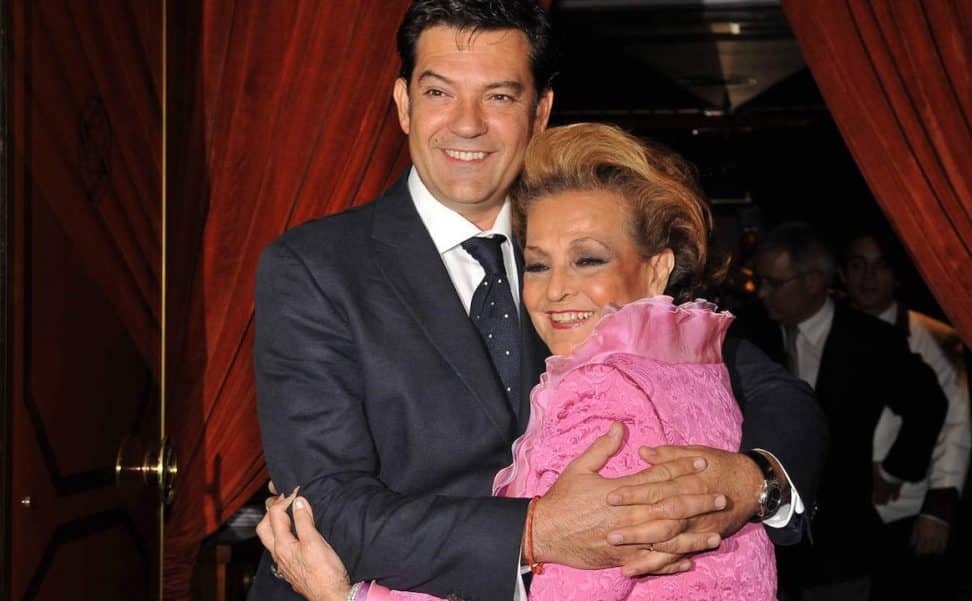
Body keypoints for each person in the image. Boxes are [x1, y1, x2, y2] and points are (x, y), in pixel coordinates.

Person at [249, 2, 825, 600]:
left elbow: (776, 394)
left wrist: (756, 480)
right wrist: (536, 532)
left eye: (499, 96)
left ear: (540, 112)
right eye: (440, 92)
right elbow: (325, 505)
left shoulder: (589, 242)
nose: (467, 124)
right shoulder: (314, 268)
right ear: (404, 104)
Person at [742, 223, 947, 601]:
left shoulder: (870, 339)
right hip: (763, 537)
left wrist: (896, 469)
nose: (763, 292)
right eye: (760, 281)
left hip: (841, 535)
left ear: (813, 281)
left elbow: (929, 403)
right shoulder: (753, 331)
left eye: (774, 282)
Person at [842, 231, 970, 601]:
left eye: (880, 266)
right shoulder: (829, 327)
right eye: (858, 266)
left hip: (912, 507)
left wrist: (939, 508)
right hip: (849, 510)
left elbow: (957, 422)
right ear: (843, 273)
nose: (868, 277)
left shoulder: (935, 336)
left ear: (897, 274)